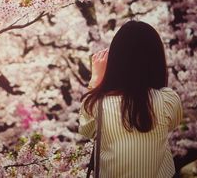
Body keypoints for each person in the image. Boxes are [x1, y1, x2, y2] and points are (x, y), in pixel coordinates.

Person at [78, 20, 183, 178]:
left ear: (115, 62)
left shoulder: (97, 104)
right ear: (156, 60)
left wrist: (95, 80)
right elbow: (172, 124)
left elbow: (86, 130)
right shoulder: (168, 100)